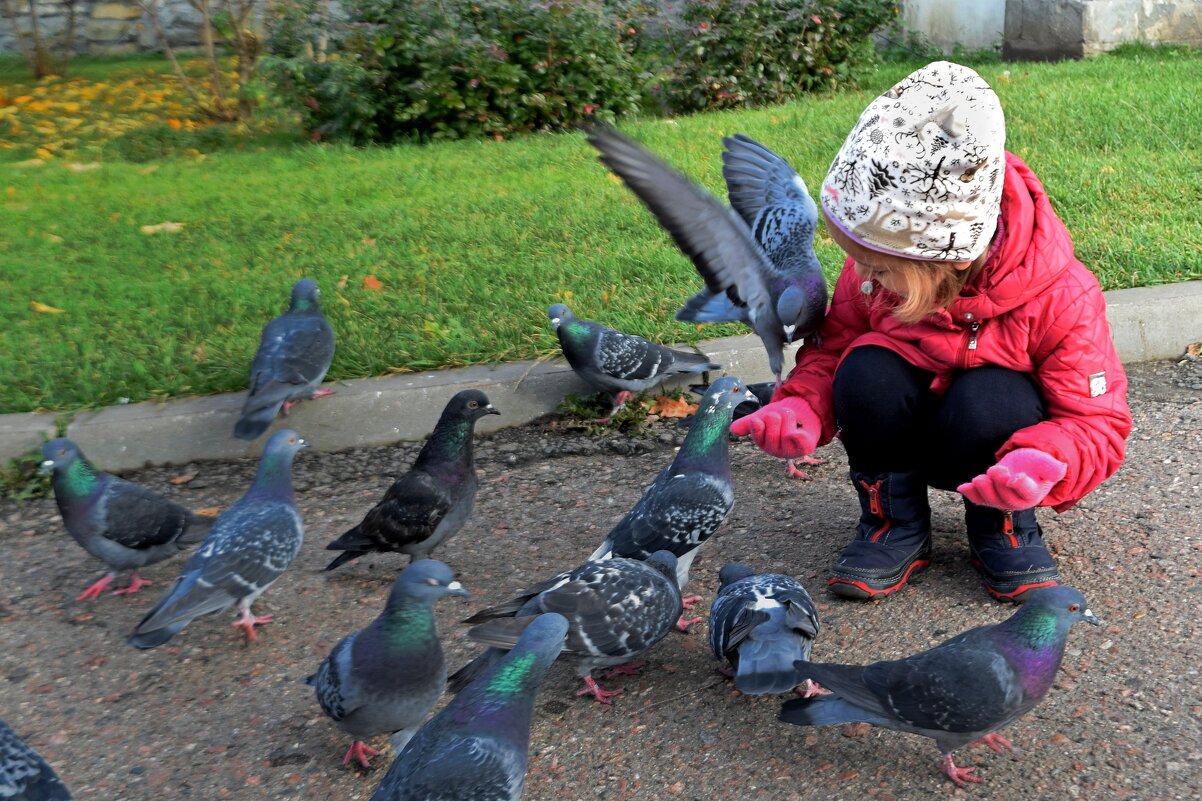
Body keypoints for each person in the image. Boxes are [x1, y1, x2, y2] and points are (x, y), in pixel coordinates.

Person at [730, 61, 1131, 603]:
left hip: (997, 450)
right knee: (865, 370)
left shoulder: (1063, 297)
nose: (863, 277)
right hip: (898, 436)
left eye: (880, 268)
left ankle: (1003, 527)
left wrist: (1043, 462)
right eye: (859, 261)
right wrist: (802, 404)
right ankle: (892, 522)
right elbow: (832, 350)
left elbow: (1096, 423)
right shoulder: (881, 270)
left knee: (994, 394)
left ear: (939, 261)